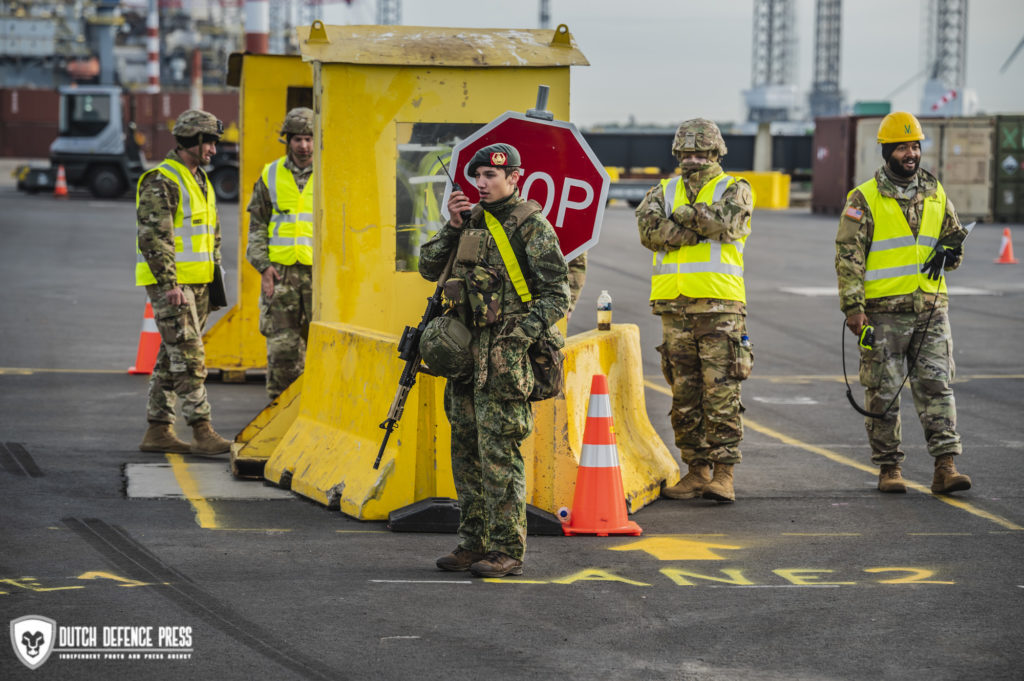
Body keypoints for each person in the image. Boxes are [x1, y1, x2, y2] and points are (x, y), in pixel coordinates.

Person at [419, 143, 570, 578]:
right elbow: (430, 268)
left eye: (491, 176)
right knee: (465, 452)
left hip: (504, 363)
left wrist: (516, 337)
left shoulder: (531, 226)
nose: (482, 184)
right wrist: (451, 225)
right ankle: (473, 543)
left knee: (500, 455)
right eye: (477, 176)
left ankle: (507, 549)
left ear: (514, 178)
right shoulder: (468, 223)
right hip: (465, 359)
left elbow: (557, 293)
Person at [835, 111, 971, 495]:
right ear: (887, 151)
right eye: (902, 147)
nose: (910, 154)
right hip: (882, 313)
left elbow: (953, 238)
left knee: (937, 385)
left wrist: (950, 253)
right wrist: (853, 309)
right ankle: (889, 468)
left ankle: (945, 466)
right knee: (882, 390)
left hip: (930, 309)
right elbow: (848, 255)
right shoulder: (863, 197)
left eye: (915, 146)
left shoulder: (935, 190)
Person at [635, 118, 754, 504]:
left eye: (701, 152)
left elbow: (726, 223)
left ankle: (724, 475)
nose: (693, 159)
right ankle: (696, 470)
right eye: (686, 152)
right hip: (675, 307)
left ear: (716, 153)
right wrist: (698, 225)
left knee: (720, 395)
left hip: (720, 307)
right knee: (683, 394)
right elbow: (648, 231)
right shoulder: (663, 190)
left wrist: (682, 219)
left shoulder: (735, 188)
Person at [136, 109, 233, 456]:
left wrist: (214, 277)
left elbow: (211, 234)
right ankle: (202, 430)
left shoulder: (199, 179)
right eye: (208, 142)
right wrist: (170, 284)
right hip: (173, 288)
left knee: (171, 355)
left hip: (200, 284)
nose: (213, 150)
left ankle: (158, 429)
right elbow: (153, 237)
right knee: (190, 356)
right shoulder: (161, 180)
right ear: (191, 141)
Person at [246, 107, 315, 400]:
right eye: (298, 139)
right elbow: (257, 227)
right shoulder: (270, 174)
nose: (304, 146)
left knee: (324, 349)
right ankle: (278, 415)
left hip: (320, 277)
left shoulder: (332, 173)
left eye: (309, 139)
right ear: (287, 141)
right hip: (281, 276)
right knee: (282, 351)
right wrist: (263, 267)